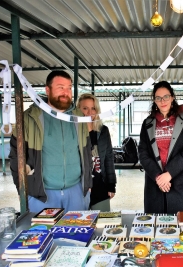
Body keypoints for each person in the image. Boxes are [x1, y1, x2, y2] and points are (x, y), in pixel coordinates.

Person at [9, 70, 92, 213]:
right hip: (42, 195)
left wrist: (88, 184)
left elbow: (86, 150)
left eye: (69, 88)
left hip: (76, 192)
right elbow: (16, 157)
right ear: (47, 90)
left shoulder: (79, 117)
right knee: (44, 234)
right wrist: (21, 188)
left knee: (77, 233)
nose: (66, 92)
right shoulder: (29, 118)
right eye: (60, 87)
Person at [138, 81, 183, 214]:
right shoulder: (148, 123)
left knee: (181, 227)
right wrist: (158, 177)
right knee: (156, 226)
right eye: (158, 98)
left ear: (172, 97)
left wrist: (169, 173)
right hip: (156, 184)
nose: (162, 101)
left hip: (180, 184)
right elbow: (143, 153)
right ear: (154, 100)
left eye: (166, 96)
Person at [77, 93, 117, 211]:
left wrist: (111, 185)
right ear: (78, 109)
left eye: (93, 108)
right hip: (80, 186)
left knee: (102, 222)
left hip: (100, 184)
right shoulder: (74, 131)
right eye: (85, 108)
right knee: (80, 223)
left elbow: (109, 158)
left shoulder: (103, 130)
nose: (89, 112)